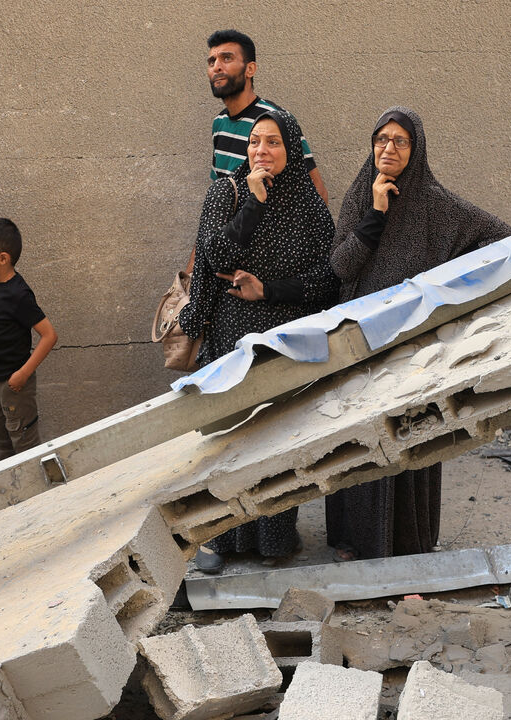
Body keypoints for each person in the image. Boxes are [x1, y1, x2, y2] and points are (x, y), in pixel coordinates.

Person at [327, 106, 511, 560]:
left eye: (400, 141)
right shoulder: (359, 197)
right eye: (381, 139)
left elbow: (503, 240)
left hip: (415, 347)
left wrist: (450, 299)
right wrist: (375, 214)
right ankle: (356, 539)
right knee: (361, 440)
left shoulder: (436, 204)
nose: (388, 148)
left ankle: (408, 542)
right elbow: (340, 267)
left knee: (410, 437)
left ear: (416, 149)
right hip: (362, 343)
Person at [179, 110, 338, 573]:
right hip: (232, 333)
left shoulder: (308, 206)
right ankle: (223, 538)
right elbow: (215, 256)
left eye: (272, 143)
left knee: (276, 435)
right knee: (232, 437)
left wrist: (268, 289)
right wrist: (253, 203)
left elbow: (326, 280)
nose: (261, 152)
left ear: (291, 150)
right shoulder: (225, 192)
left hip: (284, 336)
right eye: (254, 143)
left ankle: (273, 540)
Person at [0, 218, 57, 460]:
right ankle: (13, 486)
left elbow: (49, 336)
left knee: (24, 441)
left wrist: (23, 374)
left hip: (13, 384)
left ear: (3, 258)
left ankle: (38, 493)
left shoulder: (19, 295)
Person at [206, 30, 328, 205]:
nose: (217, 67)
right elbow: (219, 187)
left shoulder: (277, 121)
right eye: (212, 61)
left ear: (250, 69)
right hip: (230, 230)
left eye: (227, 58)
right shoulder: (219, 123)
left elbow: (317, 192)